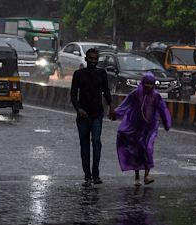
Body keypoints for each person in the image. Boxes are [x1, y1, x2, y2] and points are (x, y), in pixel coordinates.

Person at [115, 72, 171, 186]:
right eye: (147, 84)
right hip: (136, 126)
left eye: (151, 84)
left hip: (150, 127)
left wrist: (166, 123)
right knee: (137, 149)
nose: (149, 86)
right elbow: (125, 105)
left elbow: (163, 109)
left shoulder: (156, 96)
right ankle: (137, 176)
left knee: (148, 148)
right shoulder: (135, 94)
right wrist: (115, 114)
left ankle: (147, 175)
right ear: (143, 83)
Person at [71, 48, 116, 187]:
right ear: (86, 59)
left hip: (97, 114)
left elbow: (106, 91)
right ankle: (87, 176)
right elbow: (73, 94)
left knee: (96, 142)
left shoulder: (101, 73)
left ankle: (96, 175)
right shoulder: (78, 74)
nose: (92, 61)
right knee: (84, 145)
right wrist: (78, 109)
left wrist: (111, 106)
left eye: (95, 59)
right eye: (90, 58)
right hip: (83, 116)